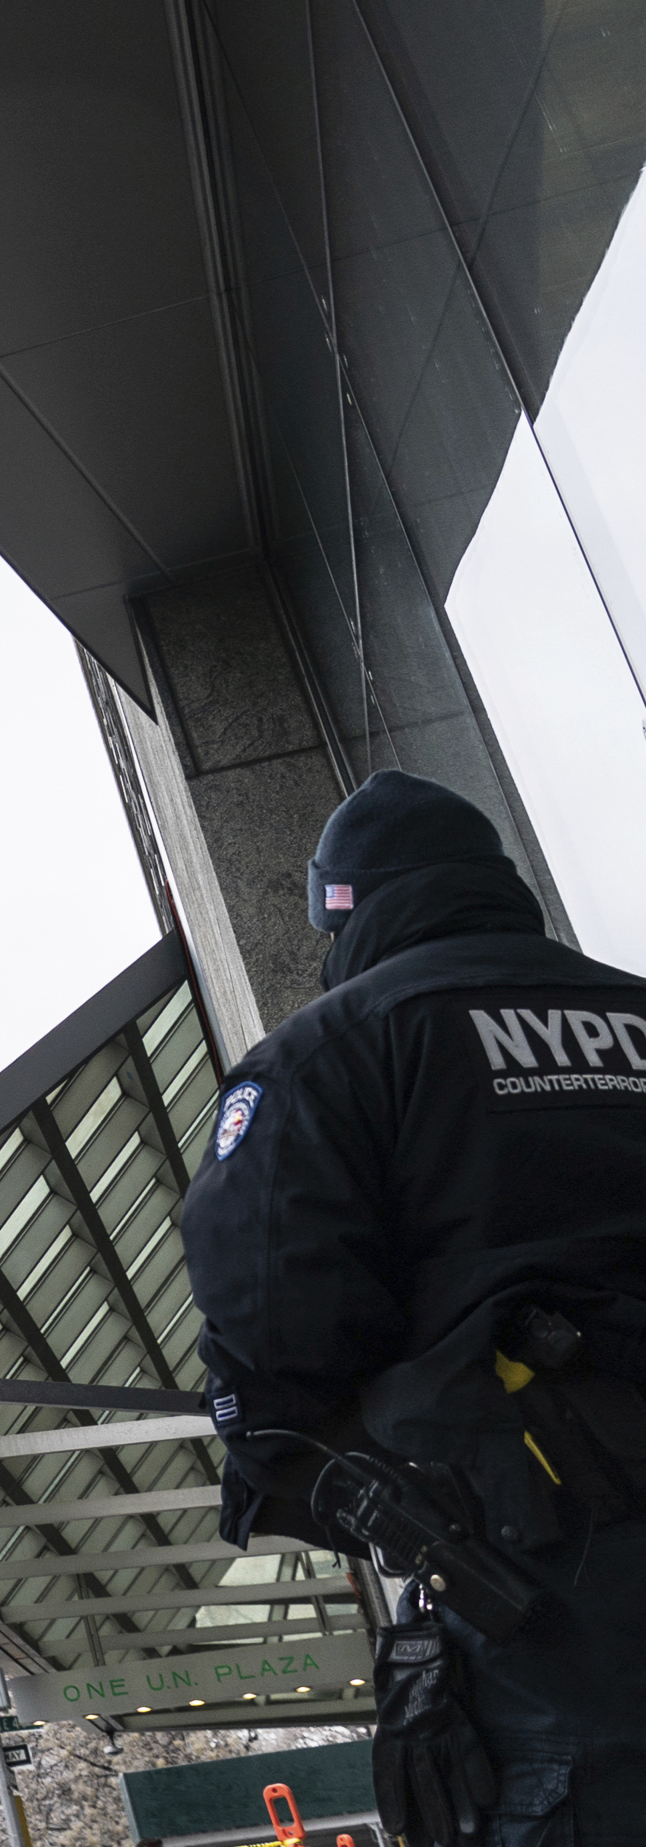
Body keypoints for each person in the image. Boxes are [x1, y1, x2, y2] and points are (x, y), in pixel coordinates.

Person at [184, 772, 646, 1844]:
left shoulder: (328, 1055)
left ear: (347, 910)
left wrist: (304, 1460)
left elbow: (274, 1325)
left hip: (551, 1574)